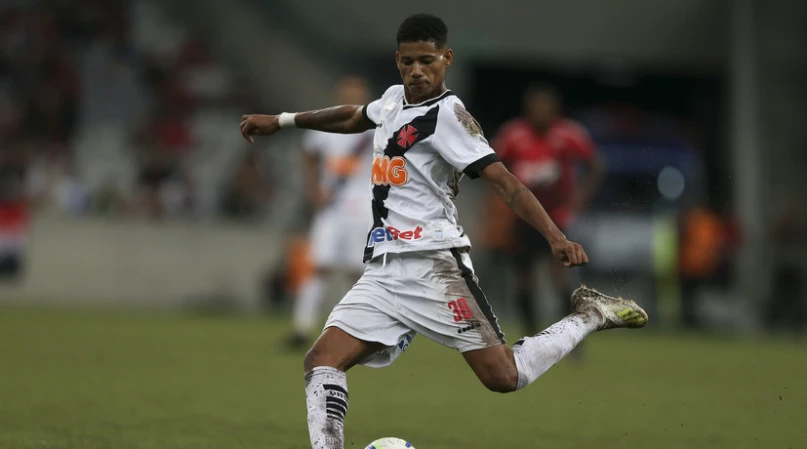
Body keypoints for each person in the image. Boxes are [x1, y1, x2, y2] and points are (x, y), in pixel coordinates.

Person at [240, 14, 647, 449]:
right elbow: (354, 117)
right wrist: (282, 121)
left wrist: (556, 237)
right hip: (383, 270)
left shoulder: (449, 116)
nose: (417, 70)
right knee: (321, 360)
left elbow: (506, 183)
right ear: (398, 61)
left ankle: (591, 315)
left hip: (435, 266)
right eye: (408, 62)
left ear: (446, 59)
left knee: (504, 376)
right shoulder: (392, 100)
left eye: (427, 61)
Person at [493, 83, 606, 337]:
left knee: (560, 276)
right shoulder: (513, 135)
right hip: (522, 219)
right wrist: (500, 203)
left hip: (556, 218)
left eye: (546, 107)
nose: (541, 112)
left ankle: (571, 335)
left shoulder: (568, 134)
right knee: (524, 279)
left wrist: (580, 198)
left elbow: (596, 163)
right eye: (536, 107)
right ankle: (530, 335)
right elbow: (492, 167)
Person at [287, 76, 376, 348]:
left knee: (357, 271)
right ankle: (302, 327)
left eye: (356, 93)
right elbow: (308, 154)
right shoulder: (325, 125)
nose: (351, 97)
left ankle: (353, 330)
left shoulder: (376, 127)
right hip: (332, 206)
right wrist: (313, 189)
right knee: (319, 266)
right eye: (347, 93)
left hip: (363, 206)